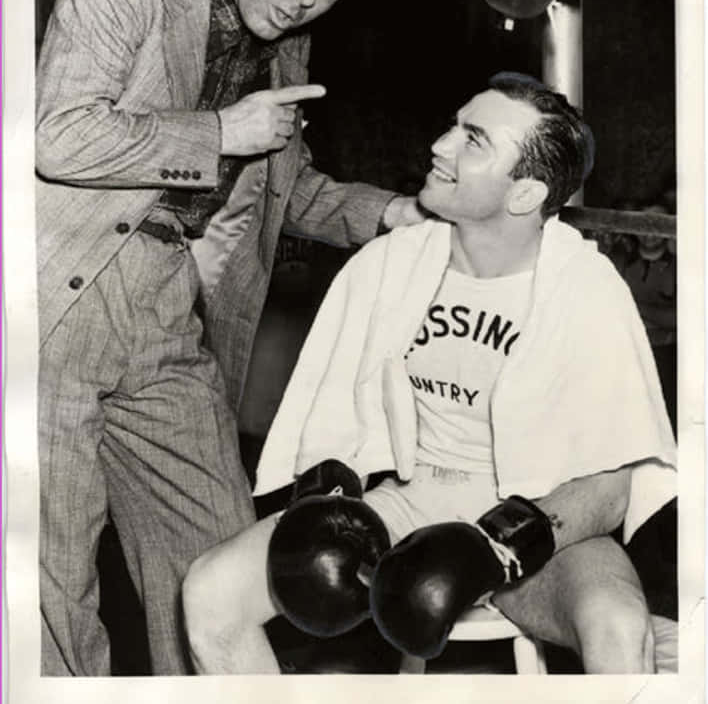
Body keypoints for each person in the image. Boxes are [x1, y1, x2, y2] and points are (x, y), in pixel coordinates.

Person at [35, 0, 423, 676]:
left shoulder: (283, 53)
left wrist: (394, 215)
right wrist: (219, 129)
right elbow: (61, 138)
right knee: (54, 581)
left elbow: (289, 184)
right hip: (57, 300)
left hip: (167, 309)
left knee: (218, 561)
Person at [182, 73, 677, 675]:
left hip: (542, 522)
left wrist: (501, 543)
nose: (440, 146)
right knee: (210, 592)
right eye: (453, 126)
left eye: (473, 140)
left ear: (524, 194)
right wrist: (330, 504)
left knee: (619, 626)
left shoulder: (586, 287)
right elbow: (334, 416)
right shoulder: (389, 264)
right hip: (410, 506)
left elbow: (613, 485)